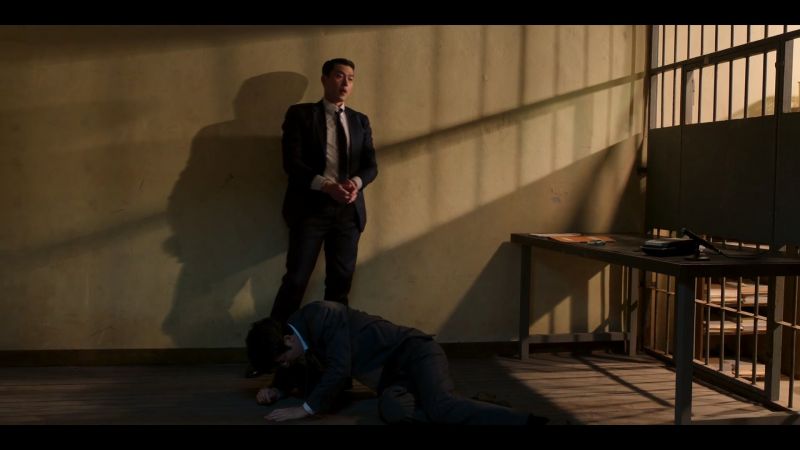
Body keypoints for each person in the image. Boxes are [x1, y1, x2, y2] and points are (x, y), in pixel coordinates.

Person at [246, 301, 549, 425]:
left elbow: (339, 370)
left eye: (281, 360)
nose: (284, 365)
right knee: (393, 411)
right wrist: (276, 389)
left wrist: (305, 409)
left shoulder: (322, 315)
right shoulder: (295, 335)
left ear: (288, 339)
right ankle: (469, 406)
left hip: (415, 352)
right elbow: (299, 369)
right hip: (392, 377)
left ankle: (527, 421)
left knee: (441, 408)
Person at [270, 58, 377, 325]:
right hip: (310, 211)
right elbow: (291, 163)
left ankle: (331, 344)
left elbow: (371, 166)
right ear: (324, 79)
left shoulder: (360, 121)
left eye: (351, 79)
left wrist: (355, 184)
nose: (345, 83)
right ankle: (274, 344)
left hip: (348, 213)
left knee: (340, 285)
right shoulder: (301, 115)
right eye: (339, 76)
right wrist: (327, 186)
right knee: (296, 280)